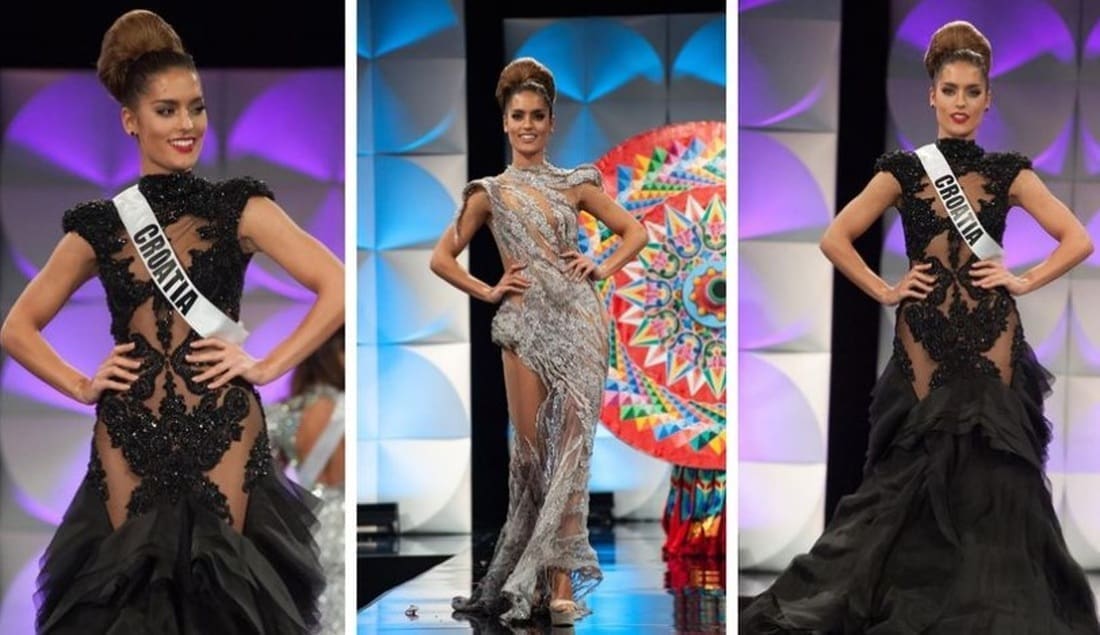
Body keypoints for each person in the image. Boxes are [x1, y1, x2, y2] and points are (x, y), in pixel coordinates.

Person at [740, 20, 1100, 633]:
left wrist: (1023, 280)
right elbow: (835, 237)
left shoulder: (1008, 171)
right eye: (950, 90)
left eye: (972, 91)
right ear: (931, 95)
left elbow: (1079, 238)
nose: (961, 102)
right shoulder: (905, 171)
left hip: (991, 333)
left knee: (996, 475)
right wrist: (885, 290)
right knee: (909, 473)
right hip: (923, 334)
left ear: (988, 100)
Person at [0, 10, 344, 633]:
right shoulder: (102, 224)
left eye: (196, 108)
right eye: (167, 110)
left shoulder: (239, 205)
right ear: (130, 120)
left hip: (222, 424)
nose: (187, 125)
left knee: (223, 601)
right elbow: (16, 328)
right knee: (130, 601)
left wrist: (267, 365)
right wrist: (81, 384)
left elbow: (338, 286)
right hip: (129, 428)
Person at [429, 57, 647, 626]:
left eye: (537, 116)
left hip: (580, 323)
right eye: (518, 116)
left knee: (572, 454)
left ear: (551, 123)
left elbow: (635, 231)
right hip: (524, 327)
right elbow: (441, 258)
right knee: (533, 458)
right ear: (505, 123)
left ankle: (560, 584)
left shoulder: (575, 184)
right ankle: (535, 573)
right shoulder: (490, 193)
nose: (527, 125)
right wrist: (488, 289)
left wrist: (601, 266)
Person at [266, 327, 346, 635]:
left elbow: (265, 483)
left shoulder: (284, 414)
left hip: (308, 527)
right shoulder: (354, 408)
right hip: (345, 523)